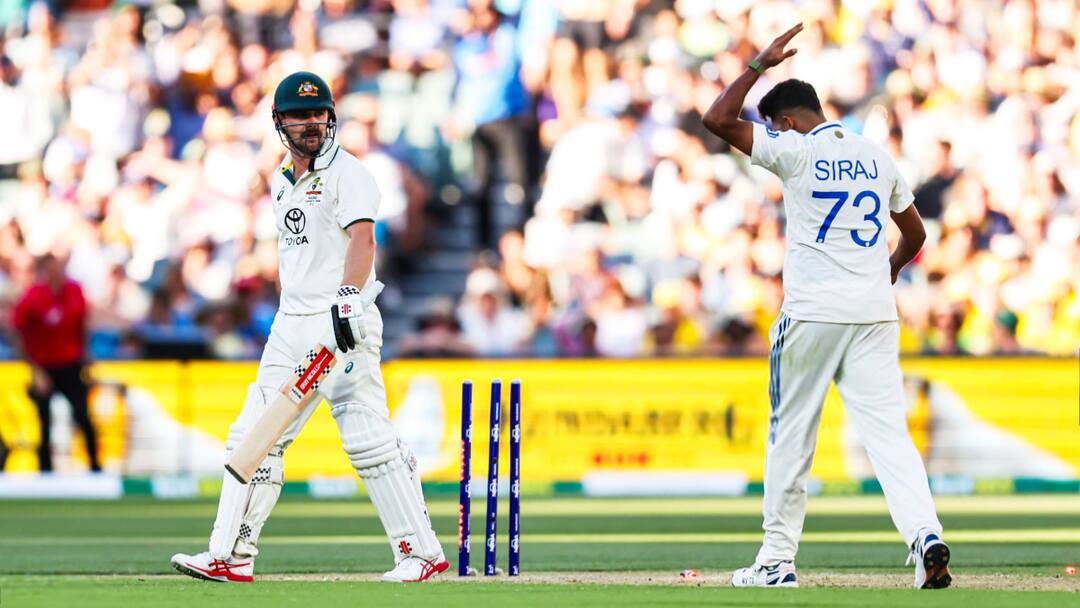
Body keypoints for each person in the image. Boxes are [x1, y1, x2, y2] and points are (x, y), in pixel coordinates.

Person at [170, 71, 447, 583]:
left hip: (341, 322)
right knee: (254, 436)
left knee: (367, 439)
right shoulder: (280, 180)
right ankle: (231, 554)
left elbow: (363, 240)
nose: (311, 123)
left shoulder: (349, 173)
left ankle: (420, 552)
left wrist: (348, 298)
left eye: (318, 113)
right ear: (280, 123)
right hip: (290, 326)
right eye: (299, 116)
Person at [701, 24, 950, 590]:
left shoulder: (795, 149)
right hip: (874, 314)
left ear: (787, 121)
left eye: (772, 125)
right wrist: (889, 269)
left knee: (790, 436)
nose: (769, 134)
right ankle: (925, 536)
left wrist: (757, 66)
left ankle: (776, 561)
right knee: (890, 436)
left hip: (813, 312)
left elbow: (716, 119)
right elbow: (915, 234)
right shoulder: (875, 156)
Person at [12, 254, 101, 473]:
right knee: (43, 420)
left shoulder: (74, 291)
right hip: (44, 366)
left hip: (70, 364)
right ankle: (45, 470)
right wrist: (34, 369)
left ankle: (96, 468)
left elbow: (83, 323)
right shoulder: (33, 296)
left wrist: (86, 354)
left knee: (83, 415)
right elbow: (17, 330)